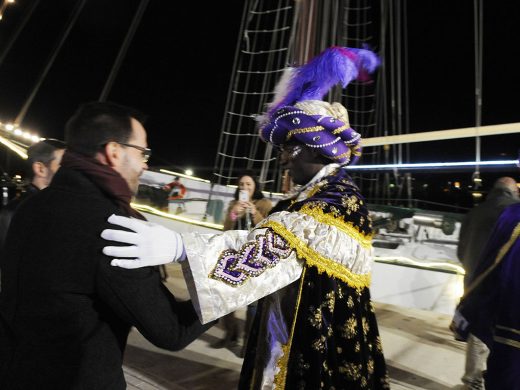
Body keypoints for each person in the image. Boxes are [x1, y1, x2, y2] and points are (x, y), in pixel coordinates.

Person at [102, 46, 389, 389]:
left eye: (289, 148)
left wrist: (182, 248)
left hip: (315, 345)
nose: (283, 159)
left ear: (317, 147)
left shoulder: (337, 199)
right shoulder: (306, 196)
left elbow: (273, 248)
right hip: (284, 328)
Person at [0, 102, 213, 389]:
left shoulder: (29, 206)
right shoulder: (114, 227)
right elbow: (172, 330)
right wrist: (235, 281)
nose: (146, 164)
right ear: (114, 152)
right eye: (143, 152)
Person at [456, 176, 519, 389]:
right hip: (506, 286)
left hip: (475, 281)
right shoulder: (513, 214)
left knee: (477, 332)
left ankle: (472, 381)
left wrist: (472, 270)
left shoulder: (475, 211)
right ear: (514, 191)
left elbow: (461, 249)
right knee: (503, 339)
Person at [212, 172, 273, 352]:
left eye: (248, 184)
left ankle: (248, 342)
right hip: (235, 256)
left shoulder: (265, 204)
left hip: (255, 257)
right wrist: (233, 214)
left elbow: (269, 228)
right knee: (225, 296)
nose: (244, 188)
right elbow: (225, 229)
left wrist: (255, 213)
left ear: (255, 186)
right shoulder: (233, 204)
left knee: (252, 303)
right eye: (241, 185)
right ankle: (230, 334)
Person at [0, 138, 66, 250]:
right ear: (40, 169)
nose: (71, 171)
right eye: (63, 165)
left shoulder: (65, 205)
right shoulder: (13, 213)